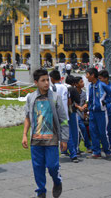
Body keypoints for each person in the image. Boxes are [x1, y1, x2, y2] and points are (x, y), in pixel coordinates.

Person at [22, 69, 68, 198]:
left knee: (52, 166)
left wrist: (64, 139)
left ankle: (57, 181)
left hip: (51, 140)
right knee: (38, 168)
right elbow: (27, 117)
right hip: (36, 140)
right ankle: (41, 191)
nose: (47, 83)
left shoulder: (55, 97)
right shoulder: (31, 98)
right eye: (43, 80)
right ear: (36, 82)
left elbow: (63, 120)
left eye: (47, 80)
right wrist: (25, 134)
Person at [85, 67, 111, 158]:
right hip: (92, 112)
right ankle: (96, 151)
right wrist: (88, 108)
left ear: (92, 75)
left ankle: (107, 150)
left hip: (101, 113)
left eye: (87, 74)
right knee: (93, 132)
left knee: (102, 132)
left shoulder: (102, 85)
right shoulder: (90, 86)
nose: (86, 77)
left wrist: (105, 102)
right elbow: (91, 99)